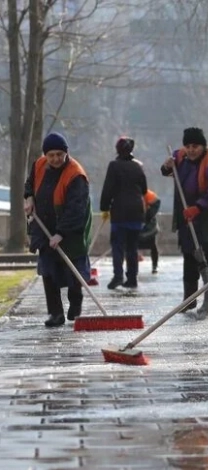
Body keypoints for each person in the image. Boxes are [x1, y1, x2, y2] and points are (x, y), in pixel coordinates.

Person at [24, 132, 92, 327]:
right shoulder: (39, 164)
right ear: (46, 154)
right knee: (48, 271)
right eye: (51, 155)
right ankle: (55, 313)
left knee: (72, 271)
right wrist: (28, 197)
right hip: (43, 224)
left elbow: (76, 209)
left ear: (66, 153)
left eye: (59, 155)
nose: (55, 159)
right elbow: (29, 183)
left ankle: (75, 302)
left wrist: (60, 233)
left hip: (71, 228)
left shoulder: (75, 175)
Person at [161, 127, 208, 312]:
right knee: (189, 255)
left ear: (203, 146)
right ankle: (189, 299)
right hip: (187, 217)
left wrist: (199, 207)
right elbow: (167, 170)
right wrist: (167, 166)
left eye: (195, 146)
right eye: (188, 146)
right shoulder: (180, 156)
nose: (191, 150)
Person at [100, 136, 148, 289]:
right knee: (132, 247)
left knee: (118, 245)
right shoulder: (138, 166)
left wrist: (104, 207)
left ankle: (118, 276)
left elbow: (108, 189)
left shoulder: (114, 166)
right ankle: (132, 278)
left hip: (120, 212)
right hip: (136, 211)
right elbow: (145, 189)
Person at [138, 189, 161, 274]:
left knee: (153, 245)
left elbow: (156, 201)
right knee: (131, 247)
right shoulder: (124, 192)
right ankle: (132, 268)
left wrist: (147, 217)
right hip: (134, 222)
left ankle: (155, 266)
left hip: (148, 224)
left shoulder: (146, 193)